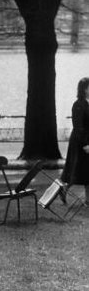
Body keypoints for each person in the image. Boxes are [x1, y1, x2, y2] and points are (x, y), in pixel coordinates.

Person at [61, 77, 89, 205]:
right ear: (84, 89)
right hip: (80, 141)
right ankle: (64, 189)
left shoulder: (88, 103)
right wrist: (85, 144)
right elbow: (78, 126)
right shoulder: (78, 105)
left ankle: (88, 200)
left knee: (87, 171)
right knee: (76, 170)